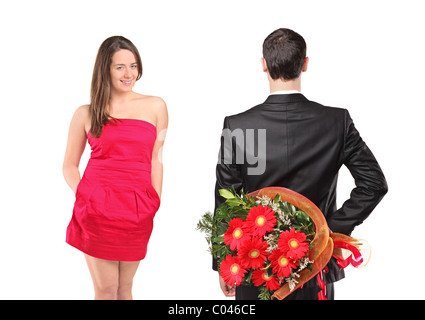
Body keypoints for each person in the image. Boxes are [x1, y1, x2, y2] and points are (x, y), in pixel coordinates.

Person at [214, 28, 387, 300]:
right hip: (316, 266)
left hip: (257, 264)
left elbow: (226, 200)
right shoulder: (335, 122)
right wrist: (327, 231)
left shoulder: (238, 127)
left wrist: (224, 266)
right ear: (305, 63)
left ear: (264, 65)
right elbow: (374, 184)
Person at [63, 36, 168, 300]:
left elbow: (156, 158)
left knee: (125, 289)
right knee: (106, 290)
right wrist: (87, 195)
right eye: (120, 67)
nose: (129, 73)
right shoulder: (85, 113)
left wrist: (154, 201)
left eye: (133, 66)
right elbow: (69, 166)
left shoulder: (156, 106)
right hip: (97, 210)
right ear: (105, 69)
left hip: (137, 211)